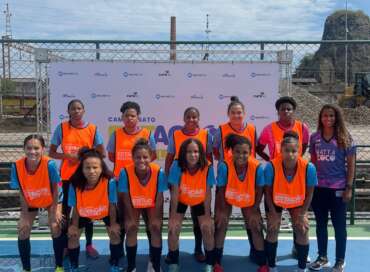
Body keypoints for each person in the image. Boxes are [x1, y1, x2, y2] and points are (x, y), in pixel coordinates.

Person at [256, 96, 310, 261]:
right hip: (276, 181)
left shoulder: (302, 127)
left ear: (293, 111)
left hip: (295, 180)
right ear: (278, 112)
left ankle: (297, 249)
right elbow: (258, 148)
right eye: (282, 109)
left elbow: (305, 146)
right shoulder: (269, 129)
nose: (285, 111)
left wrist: (296, 161)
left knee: (299, 221)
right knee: (273, 223)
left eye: (289, 109)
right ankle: (270, 258)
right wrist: (270, 161)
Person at [49, 99, 105, 258]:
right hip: (67, 177)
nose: (76, 111)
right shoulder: (62, 128)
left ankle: (89, 245)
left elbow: (102, 153)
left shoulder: (92, 129)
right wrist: (67, 156)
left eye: (79, 108)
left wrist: (87, 158)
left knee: (87, 212)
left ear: (84, 110)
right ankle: (67, 245)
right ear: (68, 112)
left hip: (86, 177)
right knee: (66, 211)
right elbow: (52, 153)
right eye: (73, 109)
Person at [107, 101, 157, 262]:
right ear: (122, 117)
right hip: (122, 185)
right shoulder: (116, 134)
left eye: (133, 115)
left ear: (138, 117)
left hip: (143, 183)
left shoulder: (147, 134)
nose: (129, 118)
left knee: (150, 222)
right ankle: (119, 253)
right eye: (126, 115)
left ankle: (153, 254)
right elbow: (111, 157)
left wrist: (139, 170)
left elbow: (153, 155)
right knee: (123, 221)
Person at [308, 104, 355, 272]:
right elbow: (312, 163)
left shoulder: (345, 137)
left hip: (339, 188)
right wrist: (310, 186)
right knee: (320, 224)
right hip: (319, 188)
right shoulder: (314, 137)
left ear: (337, 118)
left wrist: (348, 187)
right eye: (325, 116)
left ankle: (340, 260)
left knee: (339, 226)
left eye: (331, 115)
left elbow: (351, 166)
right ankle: (322, 257)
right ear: (320, 118)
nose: (328, 118)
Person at [165, 107, 213, 263]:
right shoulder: (176, 135)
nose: (192, 119)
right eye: (189, 117)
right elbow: (170, 157)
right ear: (184, 118)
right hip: (181, 185)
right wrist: (169, 178)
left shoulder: (206, 136)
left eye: (195, 117)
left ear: (199, 119)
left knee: (202, 224)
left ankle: (199, 250)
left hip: (198, 188)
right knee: (173, 226)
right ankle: (173, 257)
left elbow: (208, 157)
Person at [264, 131, 317, 272]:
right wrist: (274, 214)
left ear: (299, 151)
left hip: (298, 201)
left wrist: (302, 215)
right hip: (275, 200)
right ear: (281, 150)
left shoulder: (308, 168)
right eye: (287, 150)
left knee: (302, 229)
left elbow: (310, 193)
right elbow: (267, 192)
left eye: (294, 151)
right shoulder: (271, 166)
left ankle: (301, 267)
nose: (290, 154)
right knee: (272, 228)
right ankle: (272, 265)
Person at [214, 134, 268, 272]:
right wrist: (220, 211)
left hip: (248, 199)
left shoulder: (257, 167)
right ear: (232, 151)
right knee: (220, 224)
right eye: (237, 151)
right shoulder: (224, 166)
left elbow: (260, 190)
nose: (241, 155)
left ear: (250, 152)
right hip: (227, 197)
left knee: (255, 225)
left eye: (245, 152)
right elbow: (220, 190)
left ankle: (263, 263)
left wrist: (255, 210)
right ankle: (216, 262)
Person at [10, 134, 64, 272]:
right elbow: (21, 192)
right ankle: (26, 269)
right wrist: (23, 216)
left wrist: (56, 210)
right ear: (24, 149)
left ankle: (59, 266)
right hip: (31, 200)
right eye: (29, 148)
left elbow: (55, 188)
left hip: (51, 198)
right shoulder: (16, 166)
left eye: (36, 148)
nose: (32, 151)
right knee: (23, 229)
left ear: (43, 149)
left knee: (55, 226)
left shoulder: (50, 164)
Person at [212, 96, 257, 259]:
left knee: (251, 218)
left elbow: (254, 152)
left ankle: (255, 250)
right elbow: (215, 150)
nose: (236, 115)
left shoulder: (251, 129)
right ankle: (217, 255)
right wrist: (226, 162)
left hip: (247, 180)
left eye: (239, 112)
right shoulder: (221, 130)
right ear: (228, 114)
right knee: (221, 218)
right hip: (227, 179)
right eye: (233, 113)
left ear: (244, 114)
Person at [67, 148, 121, 272]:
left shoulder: (109, 182)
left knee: (115, 233)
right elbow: (75, 208)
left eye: (95, 167)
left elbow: (112, 205)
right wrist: (74, 226)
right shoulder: (74, 184)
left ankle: (114, 265)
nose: (91, 171)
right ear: (82, 169)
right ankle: (73, 266)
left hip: (105, 212)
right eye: (87, 167)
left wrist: (113, 224)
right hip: (83, 212)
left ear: (101, 168)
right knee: (72, 236)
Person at [118, 139, 167, 272]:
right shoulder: (125, 172)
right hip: (133, 203)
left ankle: (155, 265)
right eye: (138, 157)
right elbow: (126, 198)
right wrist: (131, 218)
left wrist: (155, 219)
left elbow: (160, 197)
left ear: (151, 157)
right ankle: (131, 266)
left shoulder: (159, 172)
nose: (141, 160)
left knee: (155, 227)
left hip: (152, 203)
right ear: (132, 158)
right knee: (131, 227)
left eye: (145, 157)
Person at [167, 139, 216, 272]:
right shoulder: (176, 165)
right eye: (189, 151)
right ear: (183, 153)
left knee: (207, 228)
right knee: (173, 228)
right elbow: (175, 193)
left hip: (199, 200)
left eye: (196, 151)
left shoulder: (207, 166)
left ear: (200, 153)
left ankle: (210, 263)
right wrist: (172, 217)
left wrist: (207, 216)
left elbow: (207, 193)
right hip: (181, 199)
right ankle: (173, 261)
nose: (192, 155)